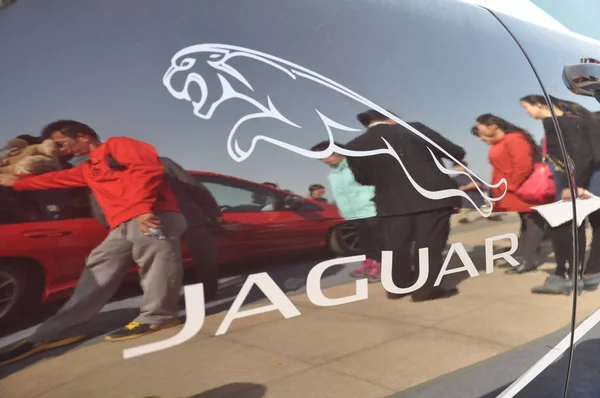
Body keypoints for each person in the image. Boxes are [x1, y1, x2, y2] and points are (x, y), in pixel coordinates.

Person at [0, 120, 187, 367]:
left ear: (83, 136)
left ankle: (159, 315)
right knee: (98, 266)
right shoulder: (89, 168)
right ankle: (59, 330)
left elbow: (148, 168)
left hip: (151, 213)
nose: (61, 150)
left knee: (156, 261)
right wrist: (14, 182)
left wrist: (143, 209)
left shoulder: (117, 145)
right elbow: (56, 180)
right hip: (122, 223)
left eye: (62, 143)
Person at [345, 109, 465, 302]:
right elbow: (455, 152)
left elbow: (363, 179)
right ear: (392, 118)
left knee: (395, 246)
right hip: (431, 197)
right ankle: (425, 291)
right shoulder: (413, 129)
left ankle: (397, 288)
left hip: (390, 203)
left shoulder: (353, 146)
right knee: (428, 245)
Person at [520, 95, 600, 294]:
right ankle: (591, 272)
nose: (527, 112)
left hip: (574, 183)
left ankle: (565, 276)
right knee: (594, 225)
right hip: (589, 180)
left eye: (527, 107)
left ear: (540, 104)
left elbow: (577, 156)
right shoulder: (581, 119)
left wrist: (574, 185)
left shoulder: (557, 122)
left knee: (564, 228)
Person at [472, 114, 546, 275]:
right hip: (512, 187)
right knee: (526, 220)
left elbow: (523, 165)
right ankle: (524, 255)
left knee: (532, 221)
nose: (480, 135)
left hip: (521, 187)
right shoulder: (500, 142)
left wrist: (511, 186)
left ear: (493, 125)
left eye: (481, 128)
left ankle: (530, 259)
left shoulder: (514, 139)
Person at [311, 140, 381, 282]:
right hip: (352, 212)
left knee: (378, 239)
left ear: (337, 151)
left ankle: (380, 263)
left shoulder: (356, 165)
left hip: (370, 208)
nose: (323, 160)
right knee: (365, 240)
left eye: (326, 155)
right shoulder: (333, 174)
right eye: (320, 158)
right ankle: (369, 261)